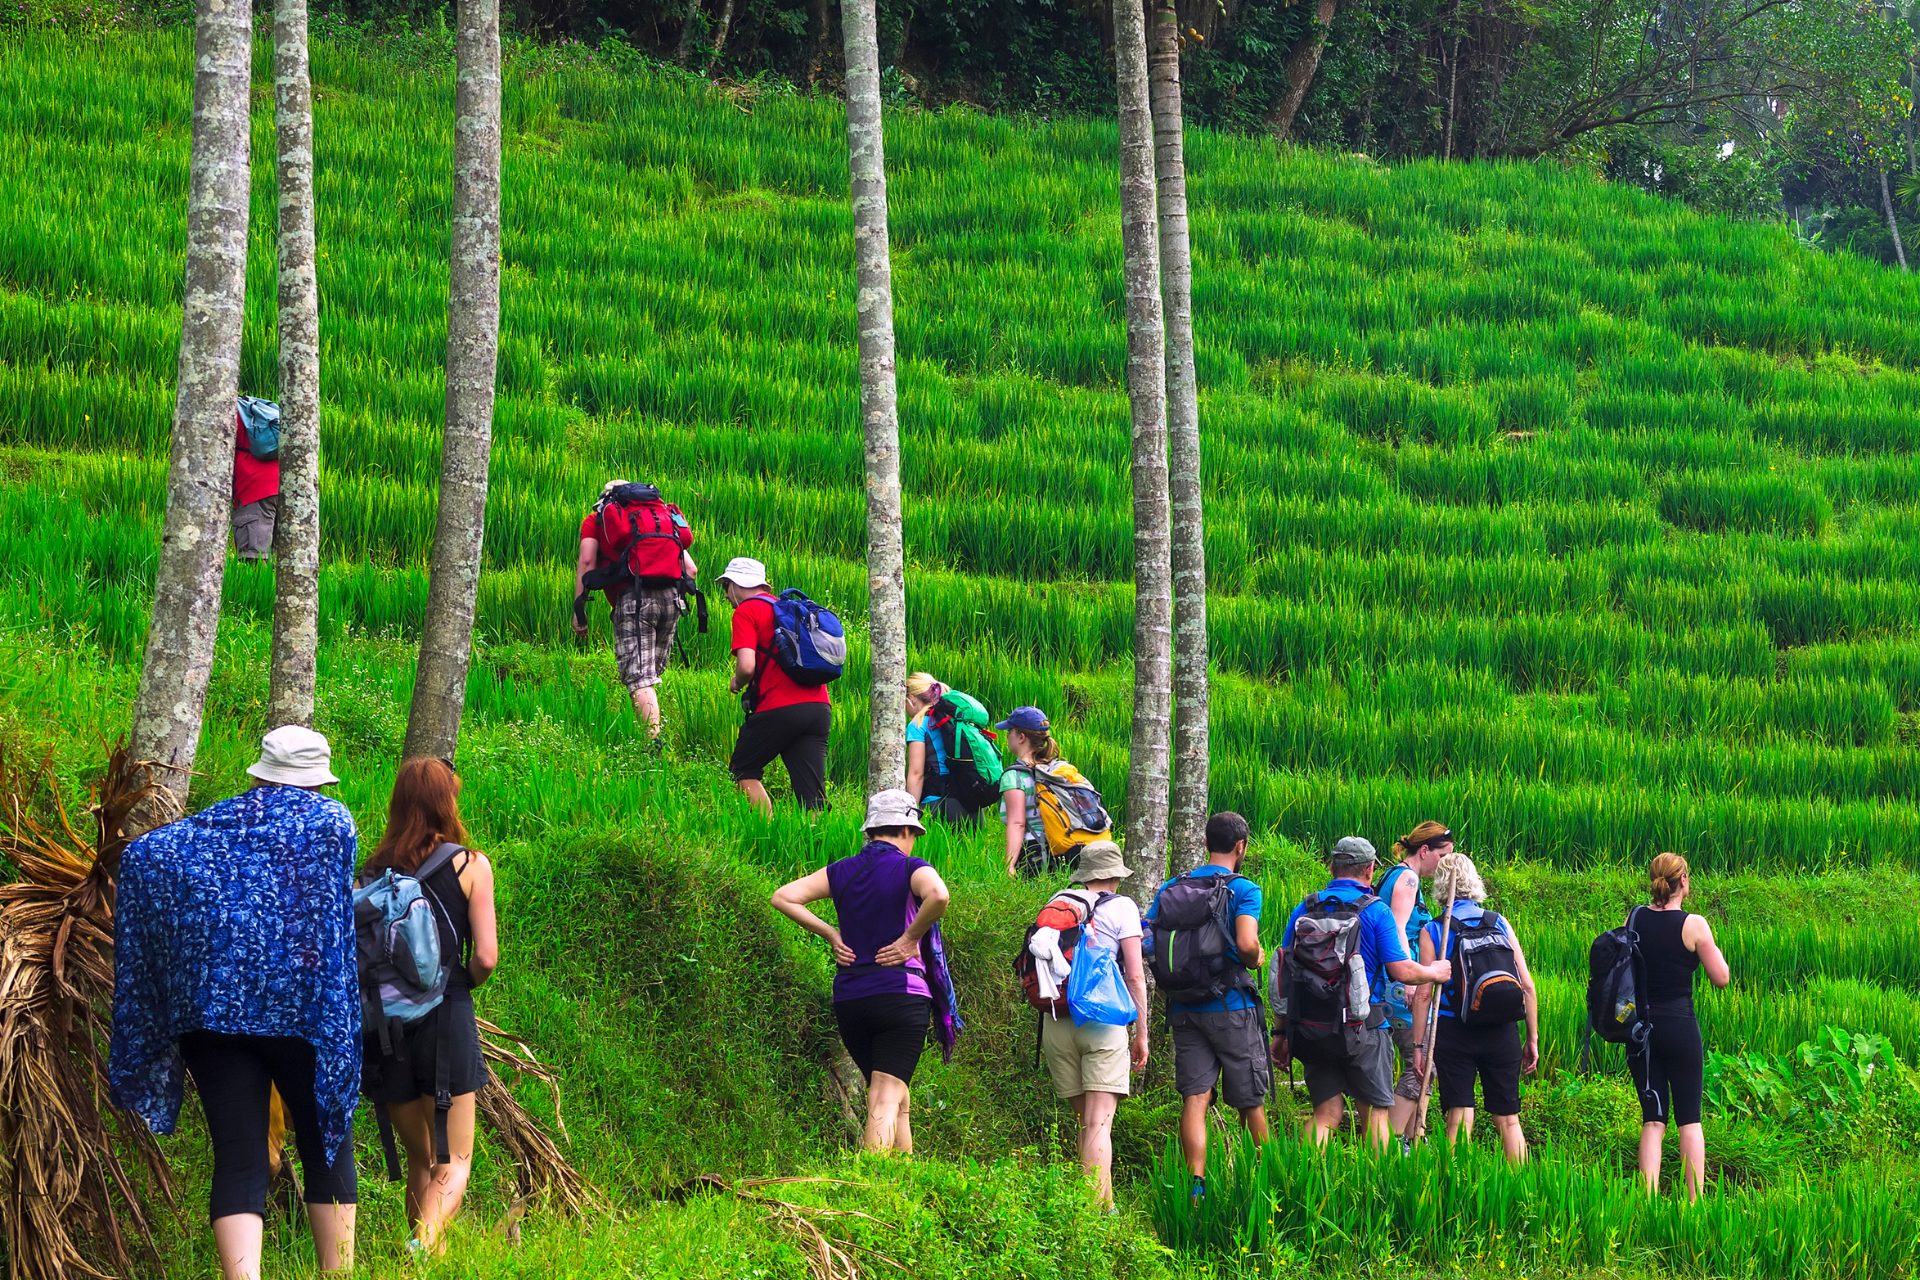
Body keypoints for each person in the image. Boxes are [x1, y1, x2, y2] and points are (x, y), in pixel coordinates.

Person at [110, 726, 359, 1280]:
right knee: (326, 1141)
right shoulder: (330, 823)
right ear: (318, 783)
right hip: (303, 1013)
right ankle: (336, 1273)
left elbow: (147, 853)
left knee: (241, 1155)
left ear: (260, 774)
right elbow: (332, 929)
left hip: (213, 1013)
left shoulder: (217, 825)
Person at [358, 758, 499, 1255]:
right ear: (447, 802)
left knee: (421, 1163)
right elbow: (485, 957)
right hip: (446, 1017)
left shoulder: (372, 873)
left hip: (385, 1029)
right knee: (455, 1160)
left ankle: (425, 1262)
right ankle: (421, 1245)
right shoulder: (470, 865)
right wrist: (462, 982)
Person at [770, 790, 954, 1152]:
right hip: (901, 995)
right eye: (914, 833)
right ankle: (871, 1182)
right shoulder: (910, 867)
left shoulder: (841, 871)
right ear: (905, 828)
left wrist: (831, 933)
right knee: (885, 1095)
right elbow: (939, 896)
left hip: (851, 998)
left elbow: (784, 896)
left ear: (871, 831)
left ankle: (901, 1185)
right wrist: (908, 940)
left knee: (896, 1095)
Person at [1276, 836, 1451, 1151]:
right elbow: (1400, 969)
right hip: (1365, 1027)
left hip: (1313, 1026)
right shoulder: (1376, 911)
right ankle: (1379, 1193)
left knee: (1326, 1114)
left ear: (1332, 867)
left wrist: (1280, 1031)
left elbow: (1286, 971)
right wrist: (1433, 972)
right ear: (1370, 870)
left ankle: (1296, 1184)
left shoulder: (1306, 907)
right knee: (1375, 1116)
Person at [1144, 812, 1268, 1200]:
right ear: (1241, 846)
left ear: (1205, 843)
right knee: (1250, 1097)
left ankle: (1194, 1187)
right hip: (1230, 1006)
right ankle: (1267, 1178)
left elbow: (1146, 936)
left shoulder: (1171, 886)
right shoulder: (1244, 889)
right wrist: (1257, 957)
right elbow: (1247, 945)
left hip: (1184, 1007)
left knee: (1195, 1097)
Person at [1033, 840, 1150, 1209]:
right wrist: (1141, 1032)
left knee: (1087, 1124)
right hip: (1101, 1023)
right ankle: (1092, 1218)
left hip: (1057, 1022)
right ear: (1115, 875)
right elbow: (1134, 976)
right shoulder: (1122, 907)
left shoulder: (1060, 900)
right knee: (1100, 1125)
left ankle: (1105, 1209)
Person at [1407, 851, 1538, 1162]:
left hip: (1453, 1031)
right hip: (1503, 1029)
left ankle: (1455, 1191)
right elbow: (1528, 985)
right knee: (1508, 1119)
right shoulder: (1498, 922)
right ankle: (1523, 1194)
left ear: (1440, 884)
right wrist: (1531, 1037)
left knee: (1459, 1115)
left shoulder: (1434, 931)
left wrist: (1418, 1046)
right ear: (1474, 881)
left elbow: (1424, 995)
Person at [1631, 852, 1731, 1200]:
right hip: (1679, 1028)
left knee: (1653, 1120)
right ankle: (1693, 1204)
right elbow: (1721, 978)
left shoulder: (1635, 917)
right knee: (1689, 1119)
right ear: (1683, 881)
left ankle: (1646, 1202)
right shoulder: (1695, 924)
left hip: (1641, 1032)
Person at [572, 478, 699, 742]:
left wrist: (579, 611)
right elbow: (692, 570)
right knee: (650, 673)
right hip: (672, 599)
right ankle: (652, 730)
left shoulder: (597, 520)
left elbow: (586, 560)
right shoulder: (659, 517)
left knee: (639, 677)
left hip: (634, 601)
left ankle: (652, 746)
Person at [719, 556, 831, 816]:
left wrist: (736, 682)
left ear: (735, 585)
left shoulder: (746, 610)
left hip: (780, 707)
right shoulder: (789, 608)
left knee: (744, 769)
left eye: (726, 587)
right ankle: (817, 850)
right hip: (818, 707)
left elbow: (747, 667)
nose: (725, 595)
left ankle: (767, 835)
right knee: (811, 793)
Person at [1377, 821, 1451, 1136]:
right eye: (1443, 855)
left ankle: (1411, 1140)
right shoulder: (1407, 877)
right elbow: (1396, 927)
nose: (1445, 863)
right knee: (1421, 1066)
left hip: (1394, 983)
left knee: (1419, 1066)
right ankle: (1390, 1143)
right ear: (1424, 850)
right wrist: (1409, 977)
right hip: (1400, 986)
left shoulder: (1395, 875)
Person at [996, 706, 1109, 878]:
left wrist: (1009, 866)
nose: (1007, 735)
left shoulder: (1015, 775)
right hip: (1067, 849)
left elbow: (1017, 823)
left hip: (1034, 855)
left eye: (1010, 730)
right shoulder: (1059, 769)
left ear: (1021, 737)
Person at [904, 672, 992, 827]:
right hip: (972, 805)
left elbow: (917, 774)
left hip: (938, 805)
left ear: (911, 699)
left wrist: (909, 814)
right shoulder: (958, 721)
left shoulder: (917, 725)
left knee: (934, 851)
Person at [231, 405, 279, 561]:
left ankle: (258, 586)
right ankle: (271, 585)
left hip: (254, 489)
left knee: (254, 556)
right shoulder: (254, 412)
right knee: (280, 557)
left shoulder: (227, 413)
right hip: (282, 483)